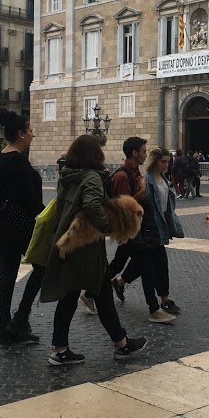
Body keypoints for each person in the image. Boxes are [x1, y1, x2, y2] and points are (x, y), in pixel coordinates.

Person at [40, 135, 148, 365]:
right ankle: (120, 344)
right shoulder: (91, 177)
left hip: (70, 240)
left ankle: (63, 349)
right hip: (86, 247)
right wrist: (108, 226)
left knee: (73, 295)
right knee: (99, 291)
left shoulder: (68, 176)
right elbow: (91, 204)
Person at [0, 111, 46, 345]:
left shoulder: (1, 158)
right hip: (21, 224)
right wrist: (47, 216)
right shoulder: (18, 161)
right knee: (42, 266)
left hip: (2, 224)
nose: (33, 134)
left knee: (8, 276)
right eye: (30, 130)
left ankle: (5, 327)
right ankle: (20, 318)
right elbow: (29, 199)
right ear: (21, 134)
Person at [107, 137, 175, 324]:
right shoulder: (123, 176)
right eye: (144, 151)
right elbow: (125, 206)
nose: (146, 154)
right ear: (135, 153)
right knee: (143, 265)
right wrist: (143, 192)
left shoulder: (135, 173)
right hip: (131, 230)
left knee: (128, 264)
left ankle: (92, 293)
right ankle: (154, 308)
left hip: (141, 229)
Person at [143, 146, 183, 315]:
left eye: (168, 162)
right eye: (163, 162)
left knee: (155, 265)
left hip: (160, 228)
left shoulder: (163, 178)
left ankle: (164, 299)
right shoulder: (147, 180)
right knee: (149, 267)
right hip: (150, 229)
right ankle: (160, 302)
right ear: (154, 161)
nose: (166, 165)